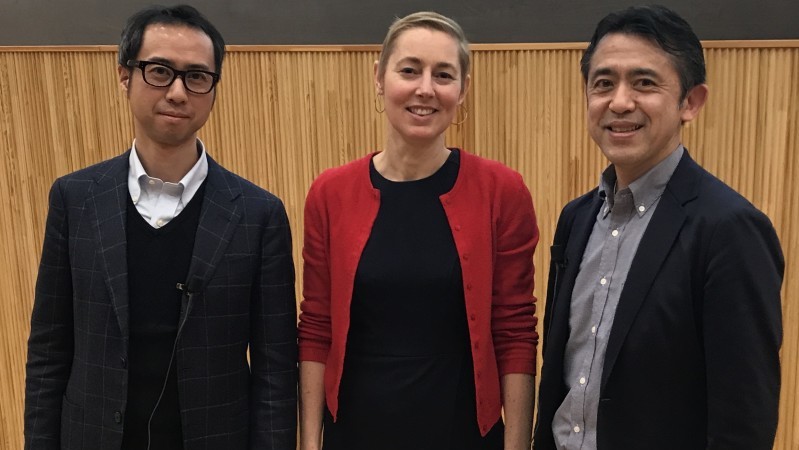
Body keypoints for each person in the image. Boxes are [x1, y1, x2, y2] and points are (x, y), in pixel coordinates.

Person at [24, 5, 297, 449]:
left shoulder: (258, 213)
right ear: (124, 76)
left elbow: (276, 371)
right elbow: (49, 352)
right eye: (159, 71)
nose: (176, 91)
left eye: (196, 76)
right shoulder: (74, 199)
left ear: (212, 89)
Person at [533, 5, 784, 450]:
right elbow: (563, 378)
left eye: (644, 83)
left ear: (691, 102)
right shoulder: (575, 219)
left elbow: (744, 418)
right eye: (603, 83)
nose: (620, 101)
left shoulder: (731, 230)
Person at [297, 11, 539, 450]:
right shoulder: (330, 193)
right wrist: (310, 443)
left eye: (443, 74)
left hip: (463, 434)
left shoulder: (501, 191)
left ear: (462, 89)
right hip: (354, 433)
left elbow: (515, 330)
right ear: (379, 76)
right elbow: (316, 327)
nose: (425, 88)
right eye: (409, 70)